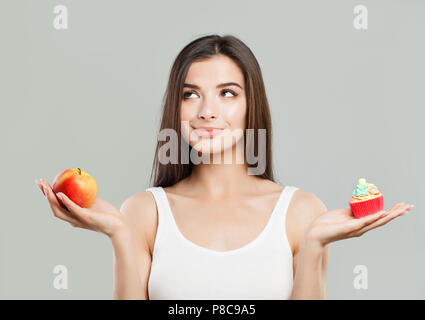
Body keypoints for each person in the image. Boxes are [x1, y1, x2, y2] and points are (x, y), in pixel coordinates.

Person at [36, 34, 413, 300]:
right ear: (176, 108)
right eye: (190, 94)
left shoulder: (301, 212)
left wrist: (314, 245)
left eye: (227, 93)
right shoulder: (144, 212)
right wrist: (118, 234)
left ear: (252, 106)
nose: (206, 111)